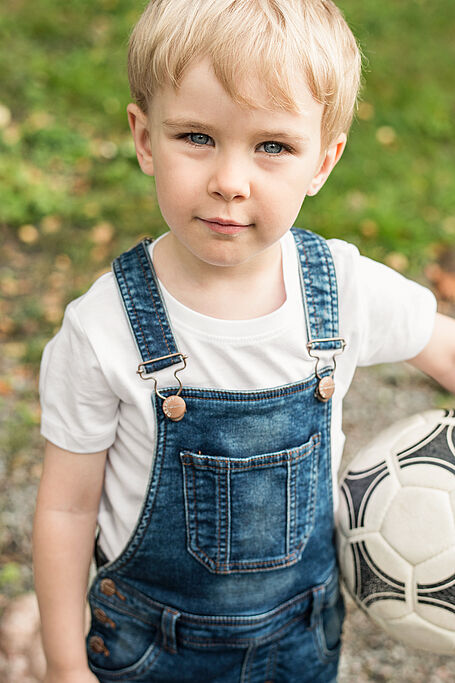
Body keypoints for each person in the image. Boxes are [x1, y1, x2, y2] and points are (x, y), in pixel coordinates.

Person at [33, 1, 455, 681]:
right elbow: (65, 505)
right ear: (144, 138)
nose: (230, 180)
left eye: (272, 146)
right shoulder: (104, 326)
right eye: (196, 137)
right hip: (148, 649)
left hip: (299, 642)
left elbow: (442, 347)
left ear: (322, 161)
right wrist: (63, 662)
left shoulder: (340, 288)